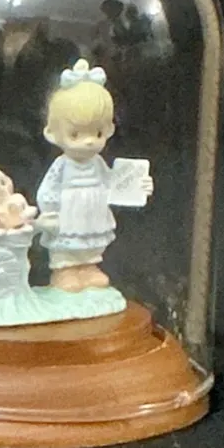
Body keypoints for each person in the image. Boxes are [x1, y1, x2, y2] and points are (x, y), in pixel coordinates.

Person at [35, 58, 153, 292]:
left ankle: (88, 268)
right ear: (52, 133)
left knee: (91, 240)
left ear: (109, 129)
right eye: (75, 134)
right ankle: (65, 270)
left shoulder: (98, 163)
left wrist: (139, 186)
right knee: (67, 243)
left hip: (93, 210)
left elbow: (113, 183)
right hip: (69, 211)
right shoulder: (62, 165)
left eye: (97, 133)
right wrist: (49, 211)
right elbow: (48, 189)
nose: (89, 141)